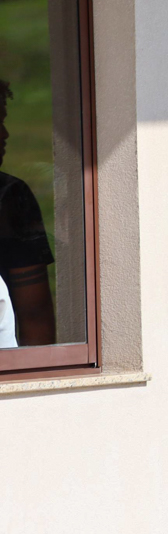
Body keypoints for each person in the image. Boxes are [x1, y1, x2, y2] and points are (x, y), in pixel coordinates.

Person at [0, 79, 56, 346]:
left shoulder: (11, 197)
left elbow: (36, 319)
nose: (5, 134)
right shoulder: (10, 197)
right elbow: (35, 317)